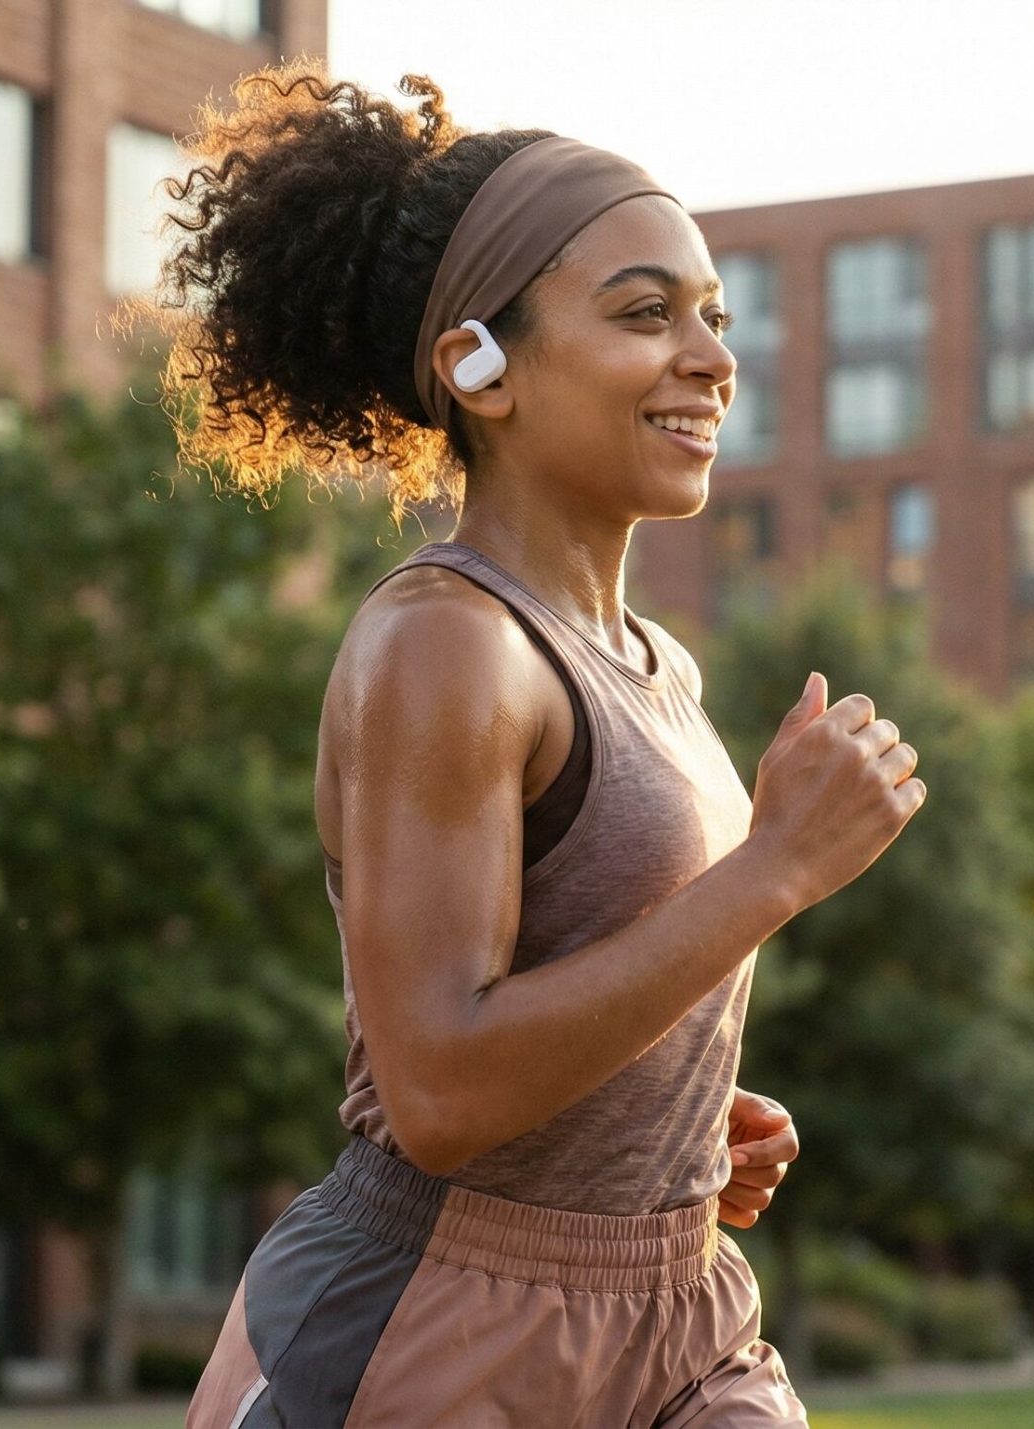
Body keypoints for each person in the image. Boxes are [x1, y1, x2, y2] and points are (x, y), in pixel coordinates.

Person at [143, 67, 926, 1427]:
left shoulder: (661, 668)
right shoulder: (447, 645)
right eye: (644, 314)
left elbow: (577, 972)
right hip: (441, 1326)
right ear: (477, 366)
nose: (712, 358)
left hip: (676, 1300)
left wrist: (669, 1118)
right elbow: (440, 1087)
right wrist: (780, 869)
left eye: (715, 317)